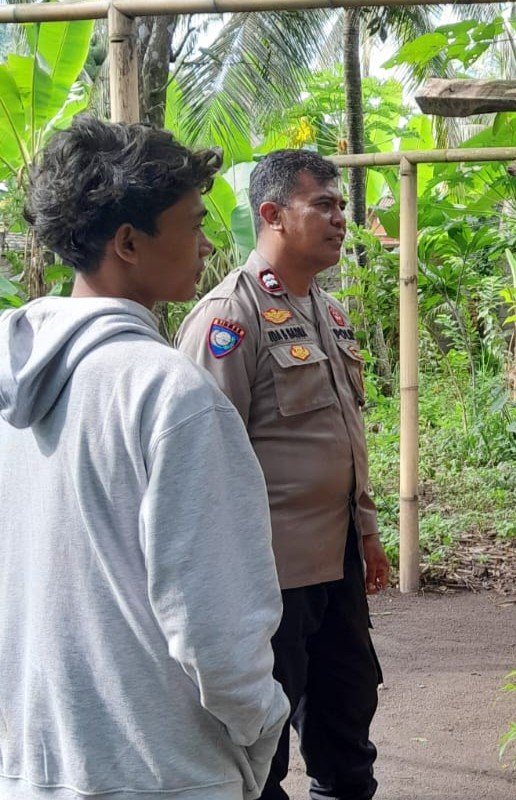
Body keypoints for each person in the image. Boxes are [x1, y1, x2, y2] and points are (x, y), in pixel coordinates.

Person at [0, 116, 289, 800]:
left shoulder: (13, 385)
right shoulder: (171, 395)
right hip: (160, 770)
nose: (207, 243)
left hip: (33, 764)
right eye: (192, 224)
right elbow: (216, 627)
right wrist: (261, 726)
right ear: (128, 243)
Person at [177, 149, 389, 800]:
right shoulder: (227, 319)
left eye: (341, 205)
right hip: (268, 578)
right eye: (323, 205)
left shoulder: (328, 312)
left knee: (347, 726)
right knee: (258, 748)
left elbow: (346, 433)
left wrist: (368, 532)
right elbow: (200, 464)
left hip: (336, 562)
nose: (340, 218)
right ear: (271, 214)